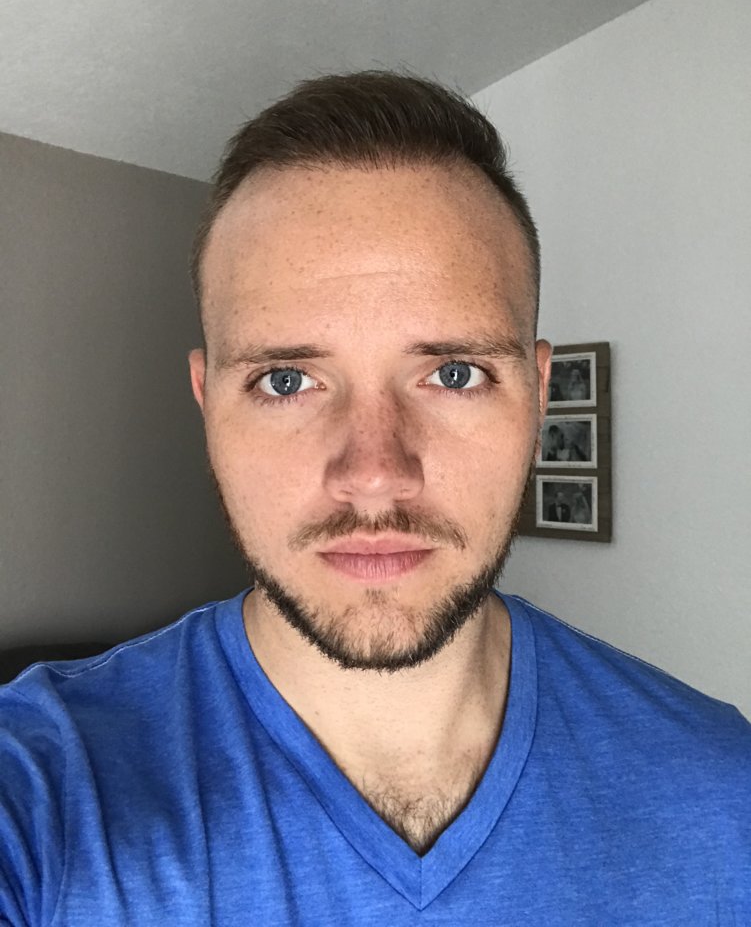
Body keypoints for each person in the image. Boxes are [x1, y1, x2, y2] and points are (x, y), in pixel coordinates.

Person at [1, 71, 749, 926]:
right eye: (286, 380)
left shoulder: (725, 797)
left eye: (453, 374)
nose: (374, 473)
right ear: (208, 403)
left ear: (538, 397)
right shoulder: (43, 787)